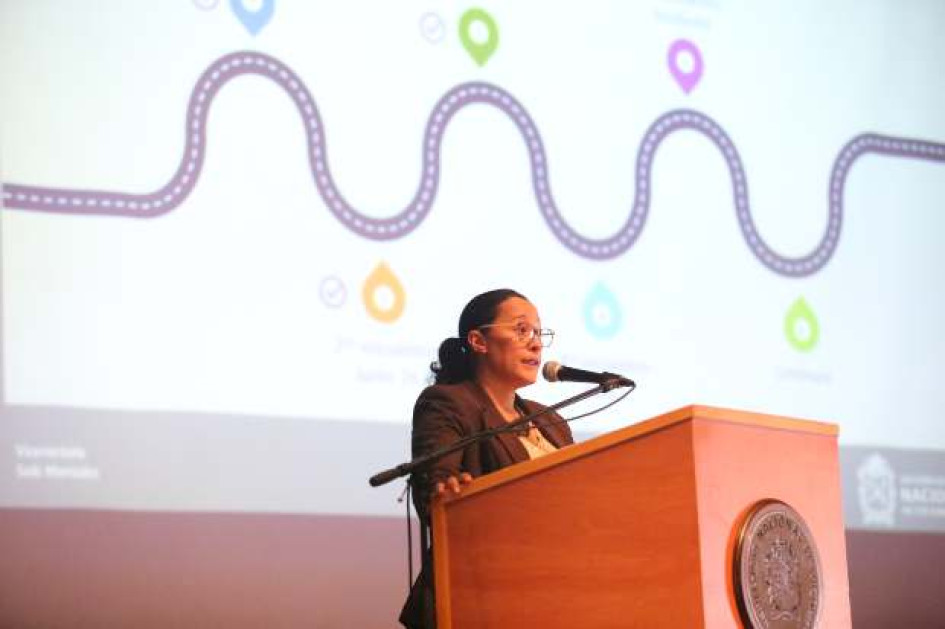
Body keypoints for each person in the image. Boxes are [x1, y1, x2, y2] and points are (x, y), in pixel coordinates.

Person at [399, 289, 574, 628]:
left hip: (553, 592)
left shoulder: (549, 419)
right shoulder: (448, 402)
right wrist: (445, 491)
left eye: (538, 333)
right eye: (522, 330)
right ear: (479, 341)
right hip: (480, 597)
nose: (536, 344)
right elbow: (434, 484)